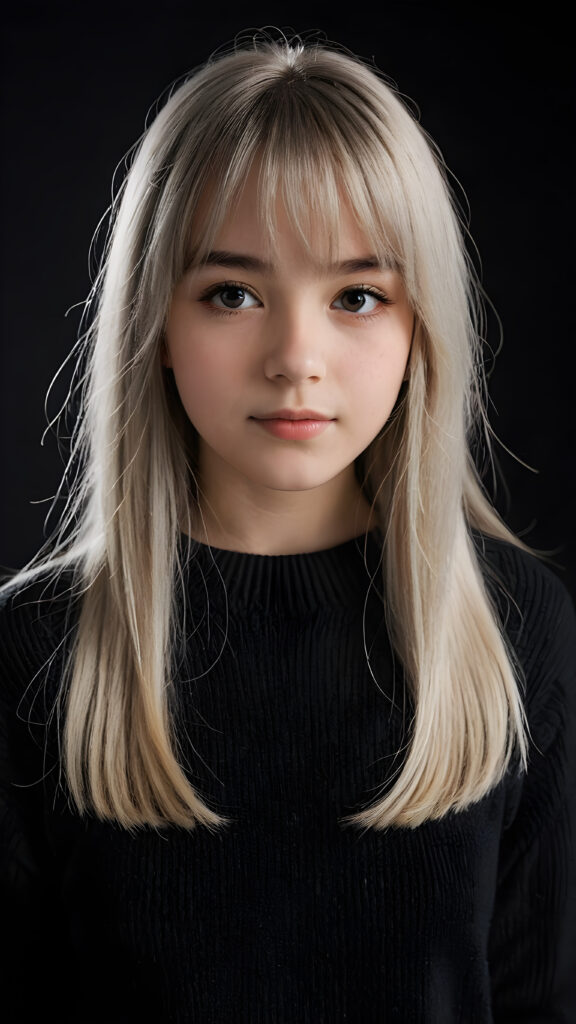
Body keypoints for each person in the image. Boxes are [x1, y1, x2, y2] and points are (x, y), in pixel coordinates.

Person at [1, 30, 575, 1023]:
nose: (294, 356)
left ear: (419, 327)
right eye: (232, 292)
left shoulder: (518, 627)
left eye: (357, 295)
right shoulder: (36, 647)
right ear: (157, 326)